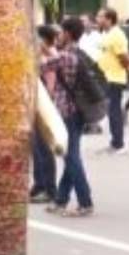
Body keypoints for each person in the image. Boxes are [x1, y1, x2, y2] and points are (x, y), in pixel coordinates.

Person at [45, 17, 95, 217]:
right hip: (80, 111)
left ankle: (85, 202)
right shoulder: (80, 54)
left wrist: (43, 48)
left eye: (60, 32)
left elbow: (39, 66)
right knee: (70, 155)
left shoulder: (65, 56)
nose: (58, 36)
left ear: (67, 33)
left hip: (67, 112)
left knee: (70, 157)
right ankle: (61, 200)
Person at [95, 8, 129, 154]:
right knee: (111, 111)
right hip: (107, 77)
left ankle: (118, 144)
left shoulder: (117, 35)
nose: (97, 19)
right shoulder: (108, 34)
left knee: (114, 111)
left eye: (100, 17)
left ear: (109, 19)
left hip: (114, 78)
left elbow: (123, 56)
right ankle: (114, 142)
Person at [30, 25, 59, 204]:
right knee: (35, 146)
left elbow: (50, 84)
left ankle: (49, 188)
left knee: (43, 147)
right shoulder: (38, 54)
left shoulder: (52, 56)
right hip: (34, 101)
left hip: (45, 104)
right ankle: (39, 184)